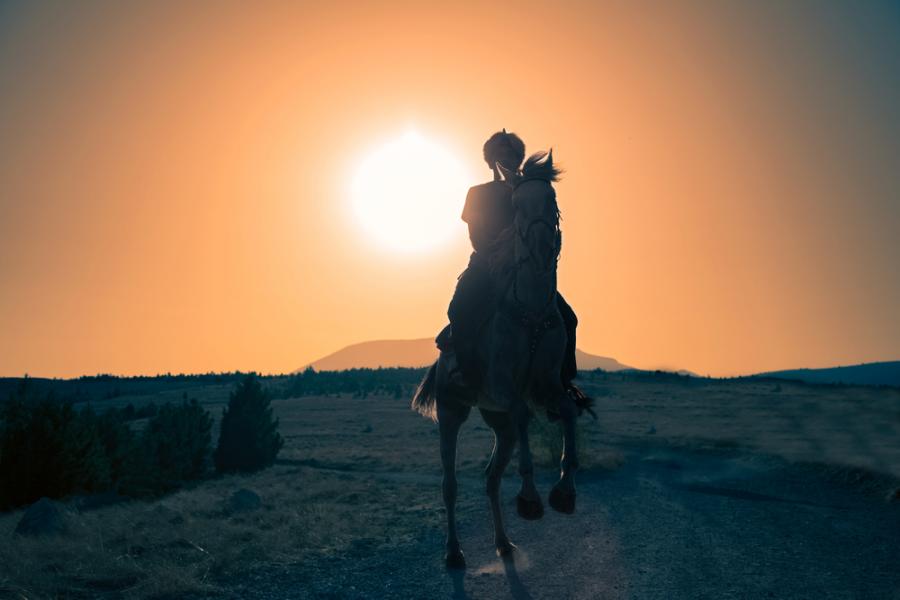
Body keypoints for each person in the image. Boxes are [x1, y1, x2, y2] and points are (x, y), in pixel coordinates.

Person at [445, 129, 580, 393]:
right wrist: (498, 257)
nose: (507, 158)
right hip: (484, 266)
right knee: (458, 309)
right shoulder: (477, 193)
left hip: (523, 269)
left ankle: (564, 383)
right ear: (490, 161)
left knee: (568, 319)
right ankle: (467, 374)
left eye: (512, 154)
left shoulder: (530, 191)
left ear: (519, 159)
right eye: (500, 154)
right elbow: (475, 234)